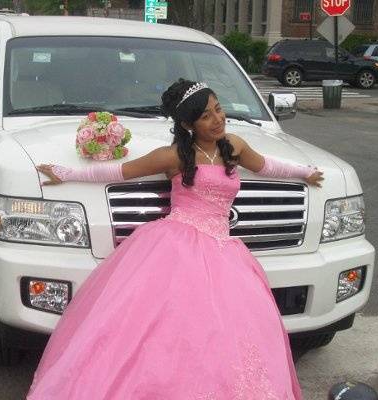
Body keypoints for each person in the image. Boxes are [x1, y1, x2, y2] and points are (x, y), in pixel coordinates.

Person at [27, 79, 323, 399]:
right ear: (187, 123)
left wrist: (305, 171)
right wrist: (66, 172)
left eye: (219, 109)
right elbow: (119, 172)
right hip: (177, 245)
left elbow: (267, 166)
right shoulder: (174, 156)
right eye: (207, 116)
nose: (218, 119)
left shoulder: (234, 145)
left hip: (223, 250)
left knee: (227, 330)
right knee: (166, 327)